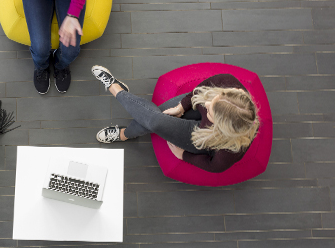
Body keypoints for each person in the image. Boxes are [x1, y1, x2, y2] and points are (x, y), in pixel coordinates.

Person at [91, 65, 260, 173]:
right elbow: (201, 90)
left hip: (204, 136)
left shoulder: (230, 149)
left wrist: (184, 156)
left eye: (210, 110)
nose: (206, 103)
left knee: (156, 121)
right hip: (191, 110)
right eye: (213, 100)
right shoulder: (228, 82)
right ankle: (126, 132)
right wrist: (182, 106)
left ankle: (115, 89)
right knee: (156, 119)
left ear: (222, 126)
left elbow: (213, 167)